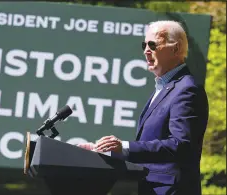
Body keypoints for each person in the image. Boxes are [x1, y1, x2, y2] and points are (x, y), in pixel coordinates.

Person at [78, 20, 209, 195]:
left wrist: (123, 146)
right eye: (144, 44)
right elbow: (151, 147)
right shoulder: (164, 87)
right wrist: (105, 151)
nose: (146, 50)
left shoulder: (187, 89)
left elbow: (181, 145)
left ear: (175, 49)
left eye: (153, 44)